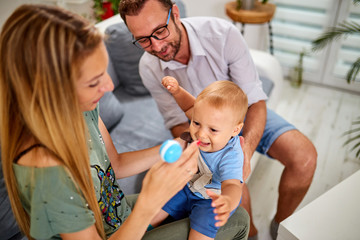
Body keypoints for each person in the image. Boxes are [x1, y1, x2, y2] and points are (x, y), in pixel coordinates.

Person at [0, 4, 250, 240]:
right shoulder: (46, 171)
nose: (109, 87)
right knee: (237, 220)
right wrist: (149, 201)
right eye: (93, 81)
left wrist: (179, 145)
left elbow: (115, 165)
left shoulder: (83, 110)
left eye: (104, 74)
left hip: (114, 215)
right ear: (50, 90)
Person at [118, 0, 318, 239]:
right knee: (236, 199)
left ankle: (281, 227)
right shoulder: (149, 68)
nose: (157, 45)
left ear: (176, 14)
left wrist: (243, 154)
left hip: (244, 115)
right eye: (143, 39)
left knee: (304, 158)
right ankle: (250, 233)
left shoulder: (222, 35)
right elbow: (180, 120)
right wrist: (199, 140)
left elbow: (255, 101)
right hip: (201, 128)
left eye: (160, 31)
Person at [151, 78, 247, 240]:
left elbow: (232, 184)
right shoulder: (205, 119)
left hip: (211, 200)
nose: (201, 134)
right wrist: (177, 91)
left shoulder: (230, 155)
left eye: (213, 130)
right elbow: (189, 106)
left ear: (235, 130)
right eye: (196, 123)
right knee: (153, 212)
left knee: (200, 235)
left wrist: (227, 202)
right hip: (187, 185)